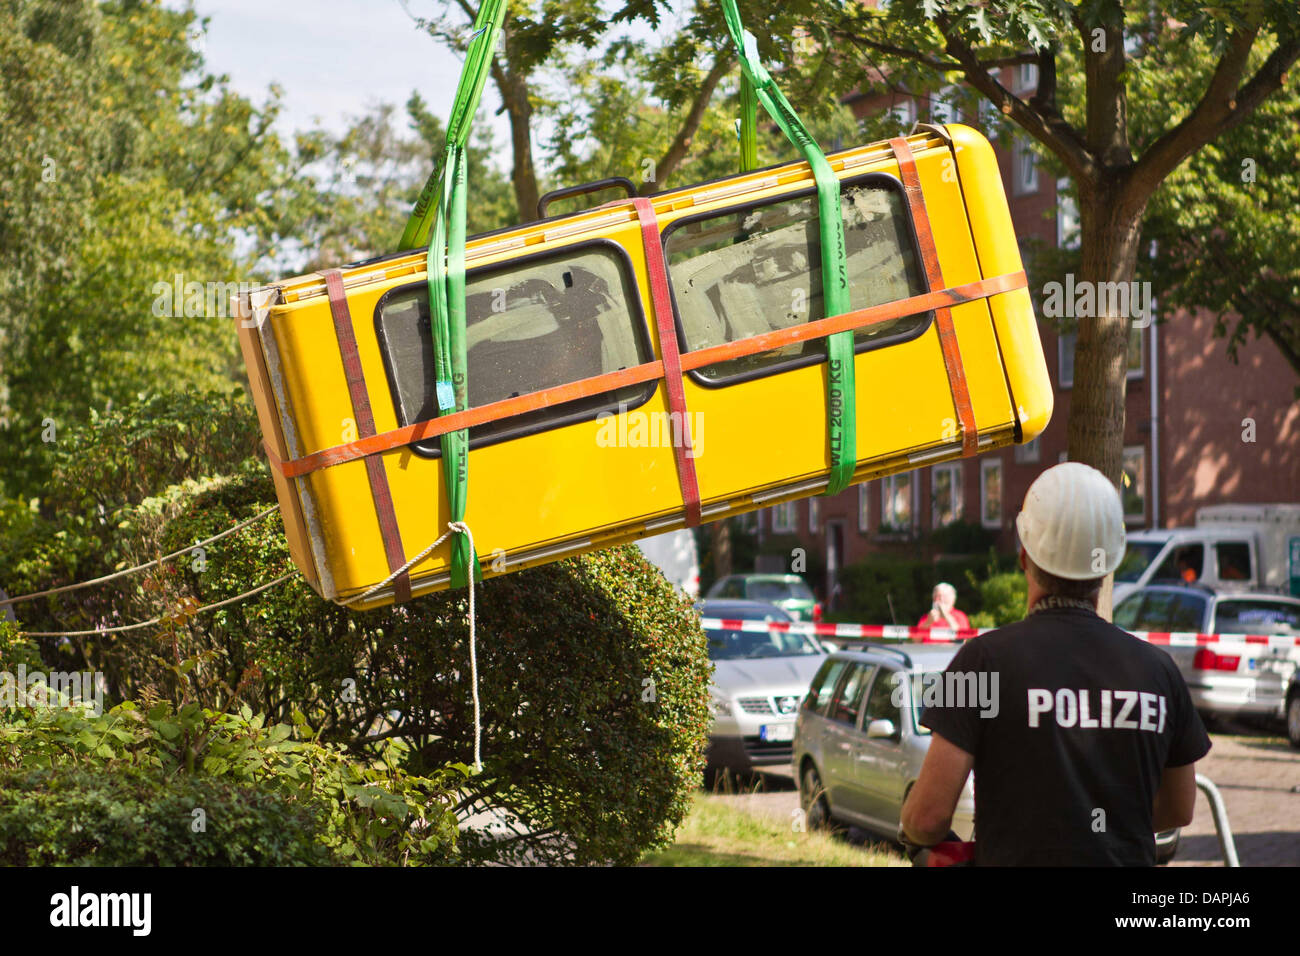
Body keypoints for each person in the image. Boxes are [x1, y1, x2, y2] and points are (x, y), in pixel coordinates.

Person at [900, 462, 1211, 866]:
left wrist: (911, 830)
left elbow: (927, 818)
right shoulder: (1159, 671)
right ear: (1107, 564)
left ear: (1025, 556)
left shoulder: (982, 662)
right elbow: (1178, 809)